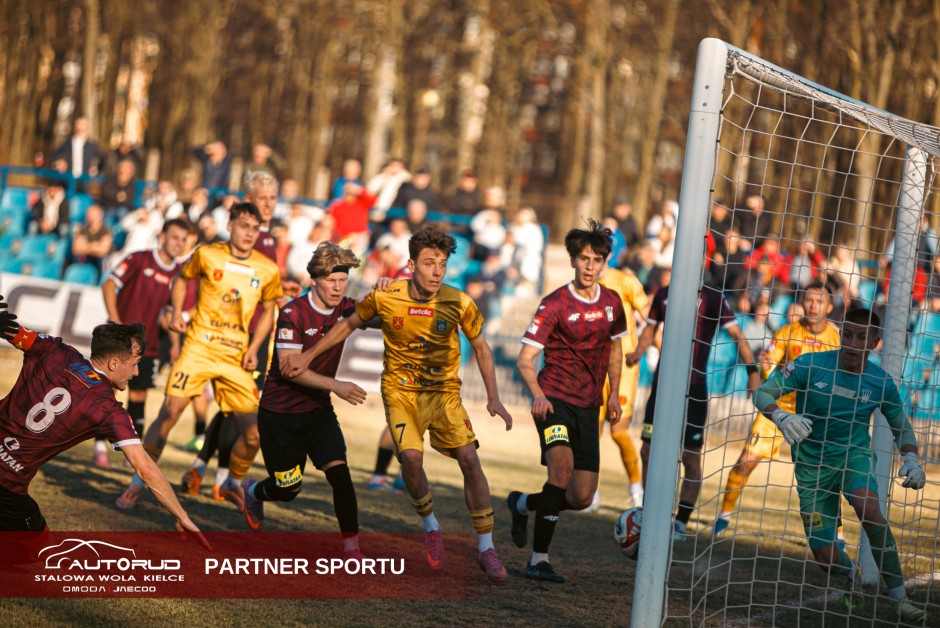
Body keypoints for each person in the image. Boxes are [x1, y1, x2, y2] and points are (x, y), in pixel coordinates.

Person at [280, 225, 514, 583]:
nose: (437, 271)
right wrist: (308, 355)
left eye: (442, 264)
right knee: (411, 460)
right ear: (411, 265)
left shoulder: (459, 301)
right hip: (401, 392)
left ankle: (486, 548)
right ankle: (431, 525)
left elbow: (481, 348)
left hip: (444, 392)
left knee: (470, 459)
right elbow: (348, 325)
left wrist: (494, 398)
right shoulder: (387, 295)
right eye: (429, 263)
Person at [752, 308, 927, 622]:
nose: (851, 342)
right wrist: (781, 415)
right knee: (826, 559)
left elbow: (902, 428)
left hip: (852, 457)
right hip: (811, 468)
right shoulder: (809, 365)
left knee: (870, 512)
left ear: (874, 342)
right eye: (847, 334)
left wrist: (911, 457)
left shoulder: (880, 382)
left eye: (861, 336)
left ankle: (900, 598)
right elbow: (763, 392)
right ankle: (852, 574)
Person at [0, 297, 208, 552]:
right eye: (134, 364)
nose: (135, 373)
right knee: (39, 550)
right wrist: (181, 516)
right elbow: (146, 469)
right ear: (113, 364)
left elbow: (11, 330)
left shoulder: (56, 350)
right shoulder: (108, 409)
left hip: (8, 485)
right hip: (6, 485)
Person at [115, 202, 283, 511]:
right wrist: (178, 313)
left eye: (254, 228)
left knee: (254, 435)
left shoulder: (267, 269)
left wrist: (254, 348)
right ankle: (136, 484)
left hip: (235, 356)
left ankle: (233, 482)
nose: (249, 233)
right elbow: (181, 278)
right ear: (230, 225)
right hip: (199, 347)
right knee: (169, 412)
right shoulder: (207, 254)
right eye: (243, 226)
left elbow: (270, 309)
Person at [508, 220, 629, 583]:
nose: (590, 266)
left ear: (605, 263)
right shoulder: (555, 303)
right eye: (584, 259)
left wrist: (615, 397)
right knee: (560, 472)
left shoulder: (612, 303)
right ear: (573, 262)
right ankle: (538, 560)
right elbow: (524, 359)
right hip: (555, 399)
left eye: (596, 259)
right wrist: (539, 396)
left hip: (591, 406)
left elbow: (615, 350)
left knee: (580, 497)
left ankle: (522, 504)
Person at [242, 243, 369, 558]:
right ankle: (254, 491)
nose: (338, 287)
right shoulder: (292, 312)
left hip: (317, 411)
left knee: (340, 474)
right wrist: (335, 385)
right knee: (288, 490)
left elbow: (385, 316)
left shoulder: (348, 308)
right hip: (280, 414)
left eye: (343, 280)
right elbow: (290, 370)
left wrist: (389, 293)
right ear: (315, 279)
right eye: (331, 280)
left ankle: (351, 548)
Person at [626, 275, 760, 541]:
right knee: (647, 450)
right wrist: (638, 352)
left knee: (690, 458)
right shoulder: (664, 293)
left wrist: (753, 371)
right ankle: (652, 513)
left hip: (695, 389)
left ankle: (680, 523)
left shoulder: (713, 297)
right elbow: (651, 330)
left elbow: (737, 335)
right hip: (662, 386)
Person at [711, 282, 841, 537]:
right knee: (744, 464)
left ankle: (837, 535)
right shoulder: (786, 332)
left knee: (825, 479)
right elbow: (768, 368)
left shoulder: (836, 340)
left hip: (815, 416)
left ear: (830, 306)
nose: (813, 306)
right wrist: (765, 368)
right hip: (779, 411)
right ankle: (723, 517)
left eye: (819, 301)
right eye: (809, 300)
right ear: (802, 302)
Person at [96, 218, 191, 466]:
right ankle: (99, 446)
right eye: (174, 237)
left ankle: (132, 452)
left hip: (148, 346)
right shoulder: (139, 259)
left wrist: (175, 345)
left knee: (139, 396)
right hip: (120, 342)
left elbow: (170, 313)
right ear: (162, 236)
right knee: (107, 391)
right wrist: (115, 323)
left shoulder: (179, 276)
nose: (178, 243)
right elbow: (108, 284)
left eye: (183, 239)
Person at [592, 259, 648, 511]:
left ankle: (637, 489)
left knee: (619, 431)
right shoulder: (584, 282)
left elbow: (653, 319)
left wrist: (643, 348)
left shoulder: (626, 281)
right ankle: (590, 491)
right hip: (594, 365)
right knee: (592, 433)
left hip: (623, 366)